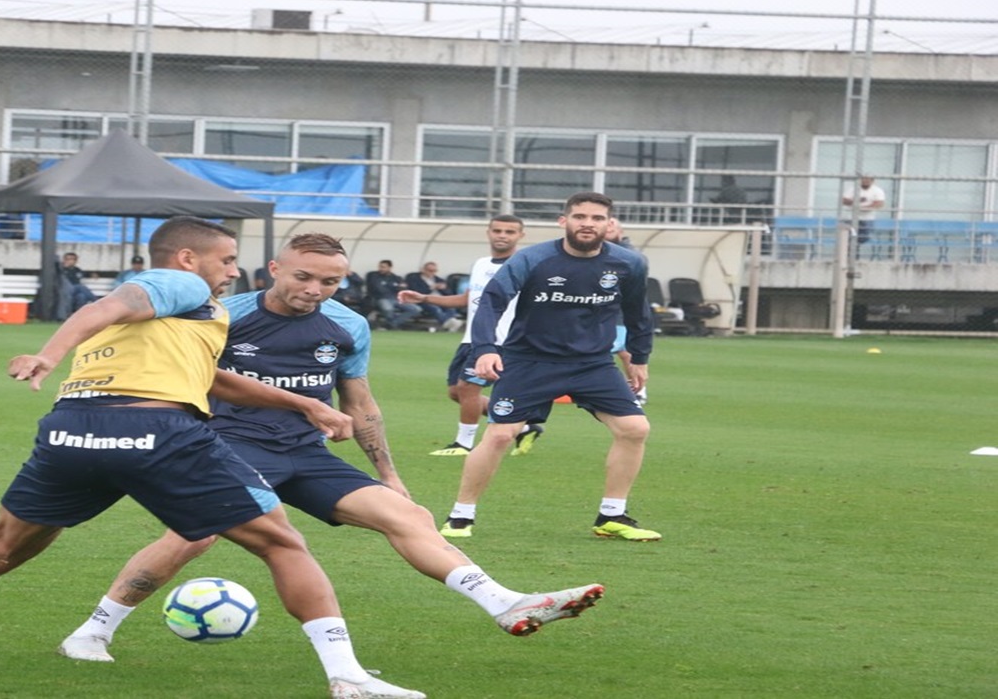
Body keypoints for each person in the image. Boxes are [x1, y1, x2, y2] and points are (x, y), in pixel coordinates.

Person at [0, 217, 423, 699]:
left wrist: (304, 405)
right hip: (155, 429)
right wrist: (47, 354)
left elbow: (212, 379)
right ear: (189, 258)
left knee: (2, 549)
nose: (233, 272)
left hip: (72, 430)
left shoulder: (178, 321)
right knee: (281, 542)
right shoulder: (176, 286)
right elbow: (121, 300)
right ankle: (348, 678)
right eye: (226, 261)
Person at [57, 233, 602, 671]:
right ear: (274, 269)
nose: (316, 289)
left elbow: (358, 401)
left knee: (406, 515)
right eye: (304, 276)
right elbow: (189, 372)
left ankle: (505, 603)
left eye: (331, 281)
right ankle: (92, 631)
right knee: (194, 536)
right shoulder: (223, 312)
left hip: (304, 453)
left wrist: (388, 473)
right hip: (228, 446)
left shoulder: (348, 325)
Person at [440, 192, 659, 542]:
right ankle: (460, 516)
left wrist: (640, 357)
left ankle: (611, 515)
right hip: (529, 360)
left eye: (597, 218)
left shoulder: (628, 263)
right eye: (580, 217)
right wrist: (484, 349)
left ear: (609, 224)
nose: (588, 223)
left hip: (593, 363)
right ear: (564, 221)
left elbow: (638, 313)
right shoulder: (533, 259)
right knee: (499, 435)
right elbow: (491, 303)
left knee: (635, 428)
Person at [398, 215, 541, 459]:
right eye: (497, 230)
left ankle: (463, 444)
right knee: (456, 392)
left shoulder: (524, 266)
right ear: (488, 232)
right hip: (470, 339)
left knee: (467, 388)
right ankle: (526, 427)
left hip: (499, 342)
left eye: (510, 231)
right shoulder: (481, 263)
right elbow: (468, 299)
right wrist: (424, 298)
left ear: (521, 236)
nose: (502, 235)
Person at [605, 218, 647, 406]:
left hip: (619, 312)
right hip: (597, 311)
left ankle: (636, 390)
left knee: (623, 350)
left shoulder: (630, 256)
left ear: (620, 230)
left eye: (611, 225)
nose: (607, 228)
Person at [404, 261, 461, 332]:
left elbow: (450, 294)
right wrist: (431, 288)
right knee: (435, 308)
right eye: (430, 270)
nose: (432, 273)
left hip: (440, 299)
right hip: (425, 300)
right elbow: (416, 292)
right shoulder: (414, 278)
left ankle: (450, 323)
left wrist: (444, 289)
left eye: (434, 271)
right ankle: (449, 324)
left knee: (451, 307)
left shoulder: (439, 280)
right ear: (423, 270)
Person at [364, 259, 418, 330]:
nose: (381, 269)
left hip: (396, 299)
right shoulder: (373, 275)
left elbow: (403, 288)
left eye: (383, 267)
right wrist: (395, 287)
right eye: (380, 266)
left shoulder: (396, 278)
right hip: (380, 298)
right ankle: (393, 325)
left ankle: (392, 324)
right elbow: (378, 289)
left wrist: (397, 287)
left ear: (390, 267)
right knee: (388, 309)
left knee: (416, 309)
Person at [841, 176, 886, 260]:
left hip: (867, 218)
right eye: (863, 179)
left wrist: (864, 208)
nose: (865, 181)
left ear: (872, 181)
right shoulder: (853, 189)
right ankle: (852, 257)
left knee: (864, 237)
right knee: (850, 237)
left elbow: (879, 203)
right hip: (851, 217)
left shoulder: (877, 190)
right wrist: (856, 201)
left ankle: (854, 250)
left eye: (868, 180)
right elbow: (844, 200)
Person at [57, 251, 99, 319]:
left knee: (81, 296)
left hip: (74, 294)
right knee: (81, 287)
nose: (70, 261)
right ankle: (97, 302)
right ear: (64, 260)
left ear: (76, 261)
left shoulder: (77, 270)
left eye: (72, 259)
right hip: (65, 291)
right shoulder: (60, 269)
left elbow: (84, 274)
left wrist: (92, 274)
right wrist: (63, 267)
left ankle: (78, 317)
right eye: (68, 259)